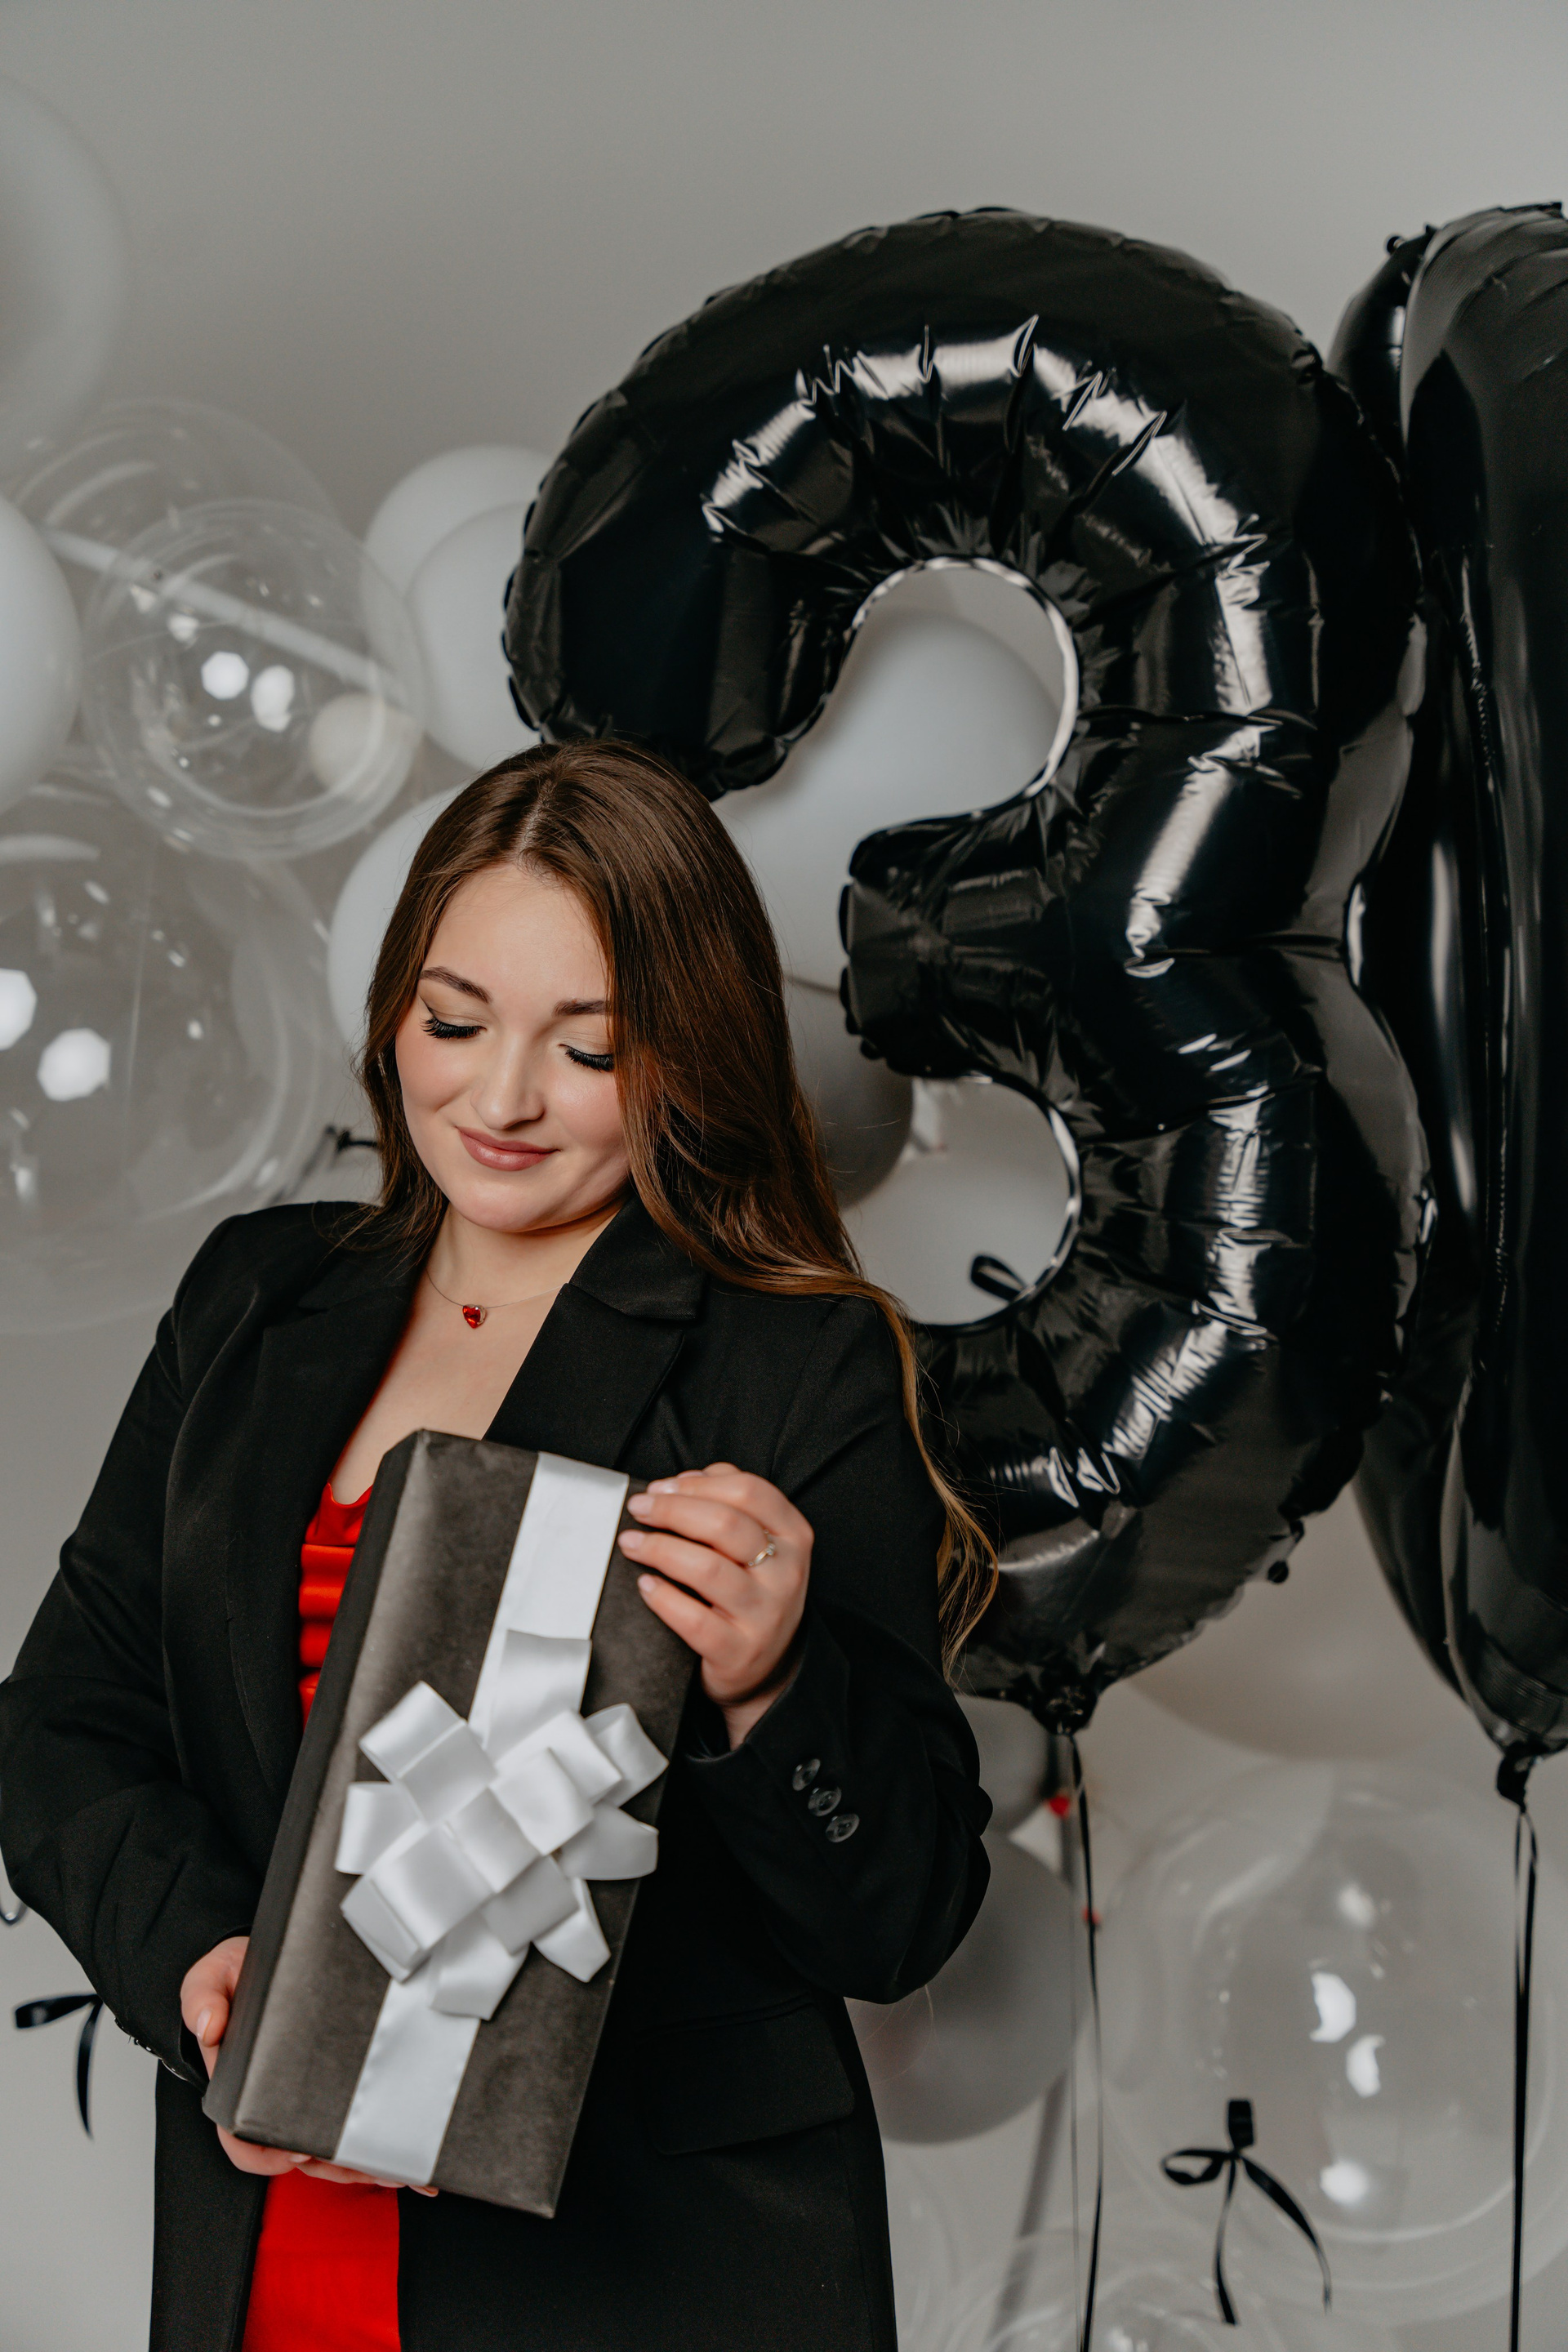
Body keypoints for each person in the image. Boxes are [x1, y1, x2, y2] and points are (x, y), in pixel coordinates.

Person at [0, 741, 994, 2352]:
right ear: (394, 1009)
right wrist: (198, 1961)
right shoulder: (255, 1298)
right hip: (277, 2216)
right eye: (455, 1022)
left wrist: (772, 1685)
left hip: (648, 2276)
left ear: (687, 1055)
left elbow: (901, 1922)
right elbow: (63, 1720)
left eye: (588, 1048)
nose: (502, 1097)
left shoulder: (792, 1366)